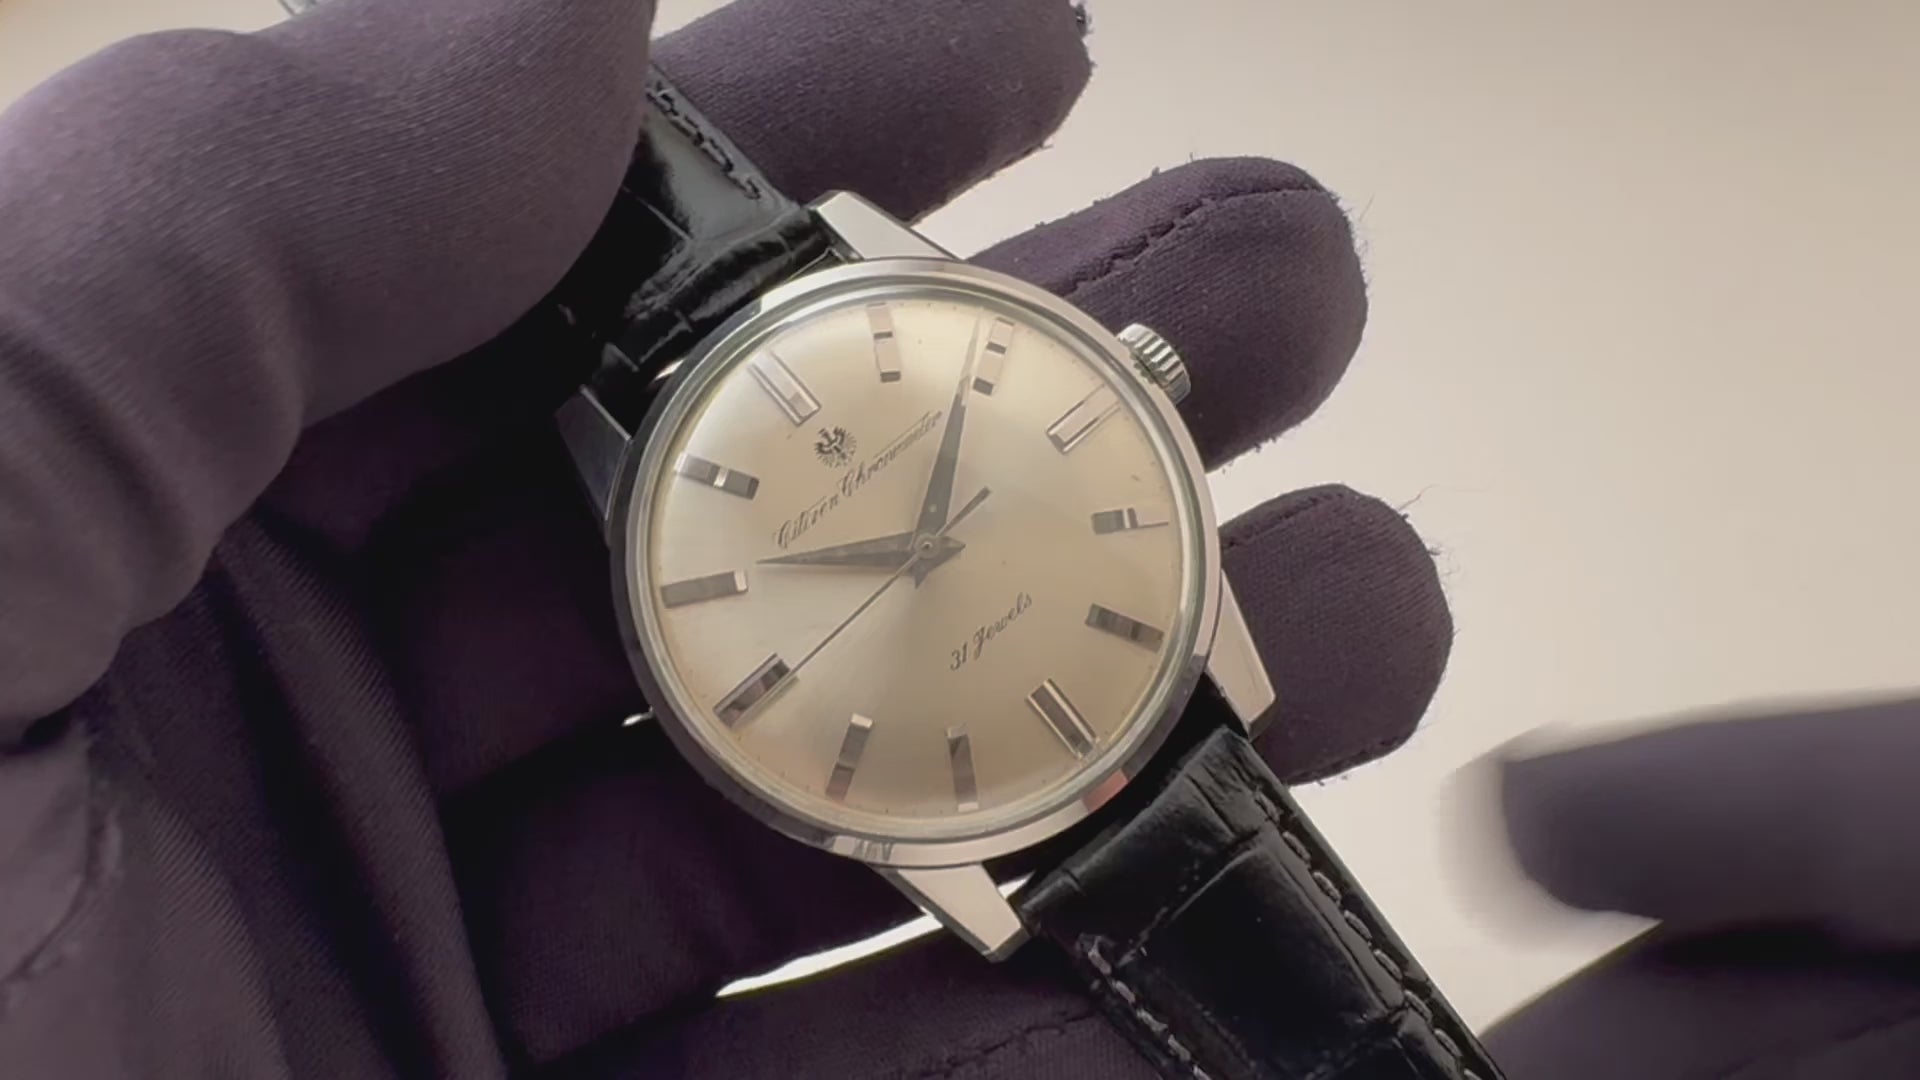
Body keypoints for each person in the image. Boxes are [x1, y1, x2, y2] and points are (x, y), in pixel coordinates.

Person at [1, 0, 1911, 1075]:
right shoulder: (632, 497)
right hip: (973, 780)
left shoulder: (918, 357)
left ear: (1123, 374)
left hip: (1087, 705)